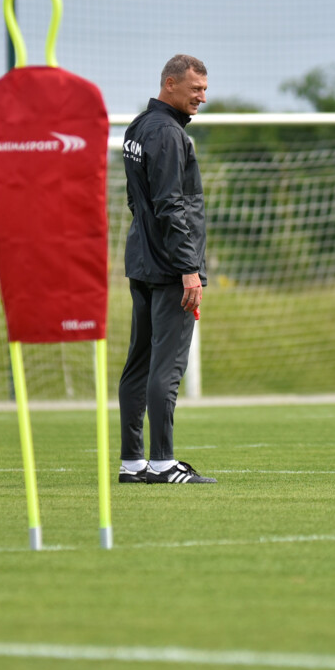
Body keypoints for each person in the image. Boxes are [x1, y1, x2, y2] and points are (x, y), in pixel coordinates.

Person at [118, 54, 216, 484]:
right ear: (170, 84)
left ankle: (132, 463)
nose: (202, 97)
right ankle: (162, 463)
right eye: (195, 89)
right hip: (169, 269)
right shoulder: (169, 134)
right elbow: (171, 205)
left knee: (138, 364)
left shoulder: (138, 128)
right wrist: (188, 267)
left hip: (141, 261)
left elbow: (135, 200)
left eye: (205, 90)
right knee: (166, 368)